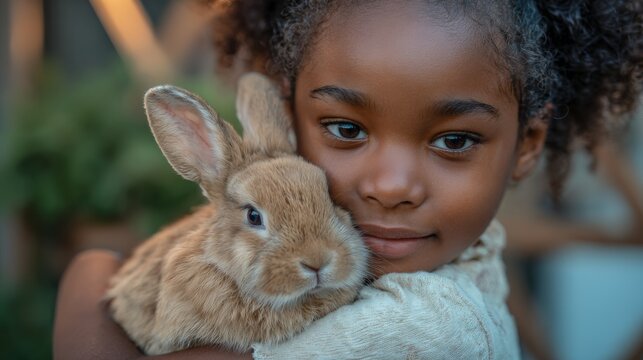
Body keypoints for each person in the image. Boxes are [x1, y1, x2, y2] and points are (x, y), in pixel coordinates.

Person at [53, 0, 642, 359]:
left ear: (526, 146)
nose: (390, 185)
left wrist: (89, 272)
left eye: (454, 140)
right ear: (288, 117)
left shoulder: (421, 326)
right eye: (345, 128)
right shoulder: (448, 251)